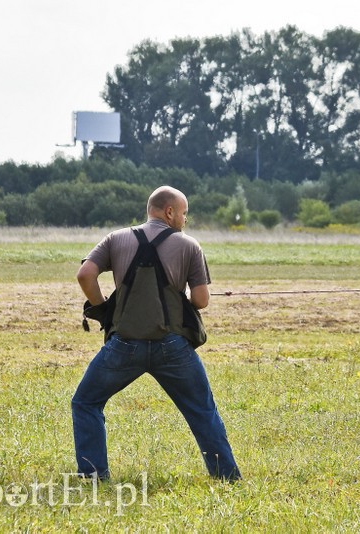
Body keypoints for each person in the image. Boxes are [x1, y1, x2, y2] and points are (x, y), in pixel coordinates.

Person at [72, 185, 241, 481]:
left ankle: (94, 476)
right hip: (173, 347)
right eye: (184, 213)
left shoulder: (116, 238)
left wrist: (102, 308)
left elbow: (85, 274)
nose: (185, 220)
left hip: (123, 346)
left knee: (86, 402)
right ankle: (227, 478)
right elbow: (201, 301)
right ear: (169, 211)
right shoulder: (189, 246)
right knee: (202, 411)